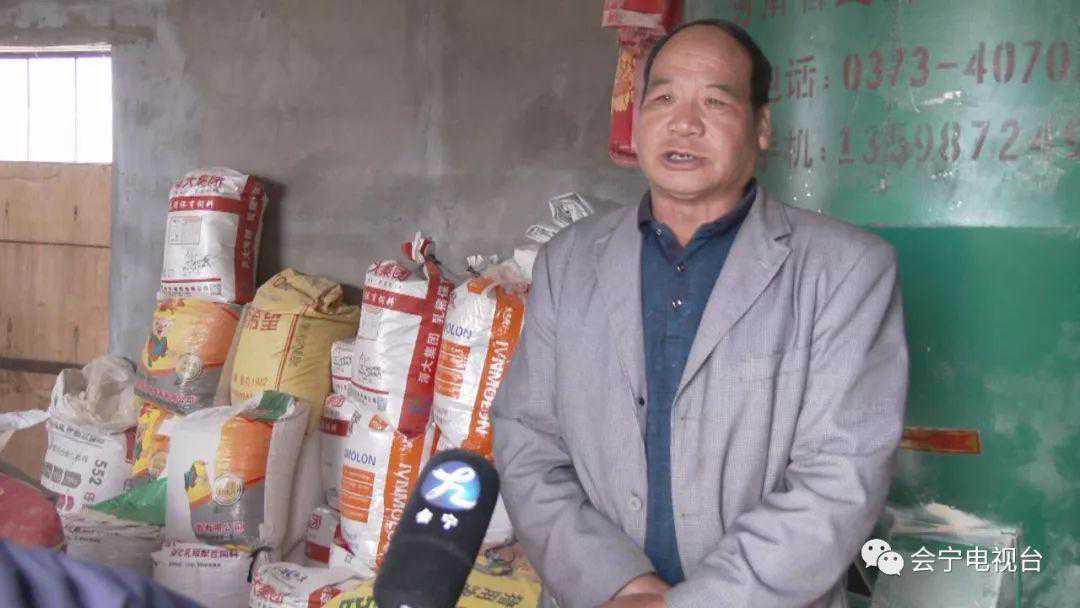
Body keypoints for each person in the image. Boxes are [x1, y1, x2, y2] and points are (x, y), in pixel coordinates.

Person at [493, 19, 908, 608]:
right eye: (663, 99)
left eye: (715, 101)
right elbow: (527, 438)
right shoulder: (570, 261)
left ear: (761, 126)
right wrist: (616, 583)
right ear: (639, 120)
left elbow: (841, 477)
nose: (684, 122)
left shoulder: (846, 270)